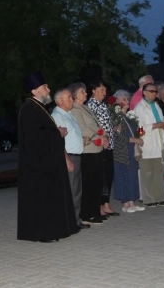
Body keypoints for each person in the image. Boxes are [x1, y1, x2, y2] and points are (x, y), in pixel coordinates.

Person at [17, 71, 78, 242]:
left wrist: (55, 133)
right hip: (37, 165)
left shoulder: (39, 108)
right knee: (40, 199)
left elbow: (44, 132)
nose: (48, 89)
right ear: (35, 91)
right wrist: (56, 132)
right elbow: (34, 138)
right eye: (45, 87)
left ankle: (53, 229)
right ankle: (41, 233)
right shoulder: (28, 108)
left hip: (46, 162)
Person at [69, 82, 109, 224]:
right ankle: (86, 214)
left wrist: (105, 136)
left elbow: (98, 125)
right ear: (74, 95)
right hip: (87, 151)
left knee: (97, 183)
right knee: (88, 184)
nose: (86, 93)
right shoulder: (74, 109)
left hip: (97, 149)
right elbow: (83, 128)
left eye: (85, 91)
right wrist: (100, 137)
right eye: (82, 92)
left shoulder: (85, 107)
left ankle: (95, 211)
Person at [51, 88, 90, 229]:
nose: (71, 99)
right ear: (59, 100)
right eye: (69, 97)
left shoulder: (68, 114)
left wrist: (81, 139)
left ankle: (76, 220)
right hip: (69, 157)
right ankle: (70, 221)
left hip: (76, 157)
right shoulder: (57, 116)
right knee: (71, 191)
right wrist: (66, 159)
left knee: (76, 190)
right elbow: (57, 141)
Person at [133, 83, 164, 207]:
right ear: (144, 92)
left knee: (159, 172)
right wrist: (155, 125)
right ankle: (148, 199)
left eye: (155, 91)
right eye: (151, 91)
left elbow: (162, 122)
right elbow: (139, 129)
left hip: (159, 142)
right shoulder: (139, 108)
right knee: (147, 173)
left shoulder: (157, 107)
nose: (154, 93)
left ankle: (160, 197)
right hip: (147, 143)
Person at [87, 79, 118, 217]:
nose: (104, 92)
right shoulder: (91, 105)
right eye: (101, 89)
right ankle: (99, 205)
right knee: (102, 176)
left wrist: (113, 128)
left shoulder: (103, 105)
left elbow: (106, 124)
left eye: (105, 90)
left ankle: (106, 204)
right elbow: (94, 127)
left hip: (109, 145)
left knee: (109, 174)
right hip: (100, 145)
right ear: (93, 90)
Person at [111, 90, 145, 213]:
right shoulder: (116, 117)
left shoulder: (126, 116)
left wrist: (139, 134)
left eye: (127, 99)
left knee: (131, 175)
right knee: (124, 176)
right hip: (122, 152)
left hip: (130, 150)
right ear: (117, 101)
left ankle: (131, 202)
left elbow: (132, 131)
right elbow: (118, 136)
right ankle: (126, 204)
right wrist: (135, 139)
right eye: (124, 100)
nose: (127, 102)